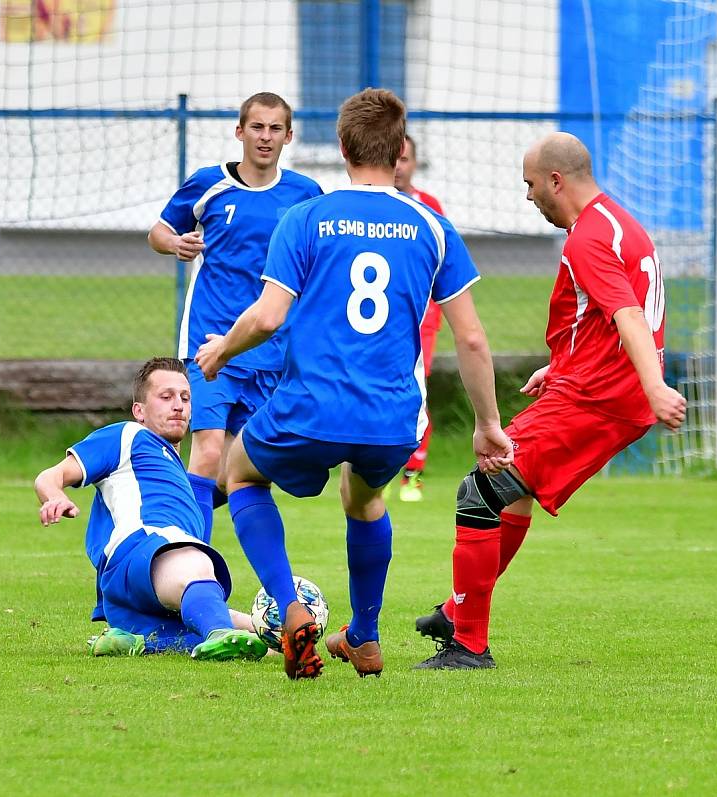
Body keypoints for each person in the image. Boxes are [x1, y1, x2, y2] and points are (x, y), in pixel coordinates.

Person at [195, 88, 513, 680]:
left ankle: (289, 609)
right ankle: (363, 635)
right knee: (363, 497)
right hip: (390, 419)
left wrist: (219, 350)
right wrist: (488, 425)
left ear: (342, 147)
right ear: (399, 152)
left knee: (239, 473)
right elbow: (471, 340)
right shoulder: (432, 226)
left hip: (309, 406)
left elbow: (267, 316)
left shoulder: (307, 217)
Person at [414, 131, 687, 670]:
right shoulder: (618, 224)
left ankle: (467, 643)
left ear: (556, 181)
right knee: (511, 491)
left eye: (531, 184)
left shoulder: (588, 238)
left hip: (600, 397)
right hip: (594, 385)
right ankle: (456, 609)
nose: (529, 196)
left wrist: (654, 386)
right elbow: (609, 316)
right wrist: (561, 365)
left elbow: (630, 316)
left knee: (481, 488)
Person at [147, 92, 322, 543]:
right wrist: (175, 245)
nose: (266, 137)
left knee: (244, 473)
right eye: (257, 127)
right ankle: (190, 565)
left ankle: (162, 521)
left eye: (275, 129)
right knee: (205, 452)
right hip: (211, 347)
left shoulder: (305, 195)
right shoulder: (209, 185)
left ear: (289, 135)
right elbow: (159, 232)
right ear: (239, 131)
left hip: (271, 353)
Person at [34, 356, 268, 661]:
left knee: (258, 637)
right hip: (139, 550)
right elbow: (49, 476)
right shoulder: (127, 436)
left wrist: (266, 627)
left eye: (185, 397)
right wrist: (54, 496)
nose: (178, 405)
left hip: (142, 588)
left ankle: (137, 639)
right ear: (139, 411)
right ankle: (219, 633)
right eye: (166, 396)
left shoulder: (179, 477)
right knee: (196, 565)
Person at [393, 133, 445, 502]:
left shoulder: (429, 206)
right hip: (377, 318)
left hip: (421, 318)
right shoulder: (372, 204)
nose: (398, 166)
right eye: (393, 157)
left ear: (414, 163)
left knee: (415, 392)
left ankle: (412, 473)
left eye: (405, 159)